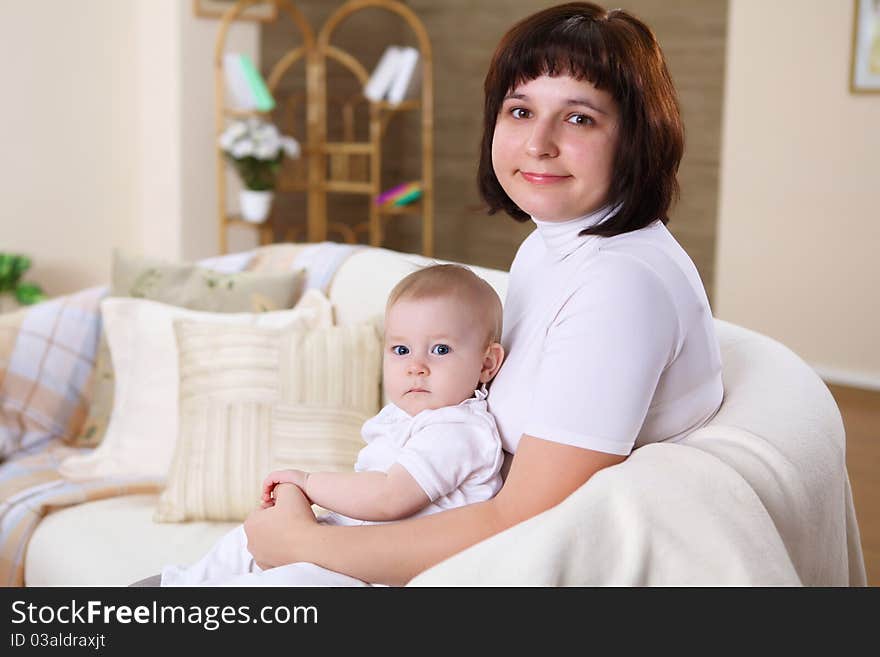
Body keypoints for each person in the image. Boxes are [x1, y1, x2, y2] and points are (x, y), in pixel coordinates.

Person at [241, 2, 724, 586]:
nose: (538, 143)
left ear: (636, 137)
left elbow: (521, 522)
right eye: (520, 110)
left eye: (578, 119)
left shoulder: (621, 289)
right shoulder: (550, 248)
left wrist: (304, 544)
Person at [159, 264, 506, 586]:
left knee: (290, 581)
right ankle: (180, 587)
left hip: (379, 572)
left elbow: (389, 497)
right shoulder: (406, 417)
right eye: (401, 350)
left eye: (440, 349)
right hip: (346, 546)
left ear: (487, 363)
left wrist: (308, 483)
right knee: (241, 542)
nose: (416, 366)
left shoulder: (459, 430)